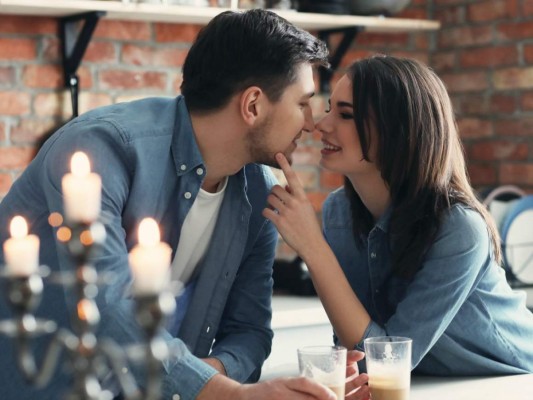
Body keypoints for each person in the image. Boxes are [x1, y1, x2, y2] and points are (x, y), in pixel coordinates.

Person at [0, 9, 367, 400]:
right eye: (304, 104)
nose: (311, 124)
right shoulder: (99, 152)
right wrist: (228, 394)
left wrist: (208, 378)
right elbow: (108, 308)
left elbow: (249, 332)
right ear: (253, 105)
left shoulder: (259, 191)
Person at [264, 55, 533, 382]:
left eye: (346, 114)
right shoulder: (339, 212)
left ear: (399, 131)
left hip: (509, 381)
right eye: (329, 109)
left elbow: (385, 364)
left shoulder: (460, 228)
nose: (322, 125)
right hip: (427, 383)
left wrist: (313, 248)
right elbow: (357, 352)